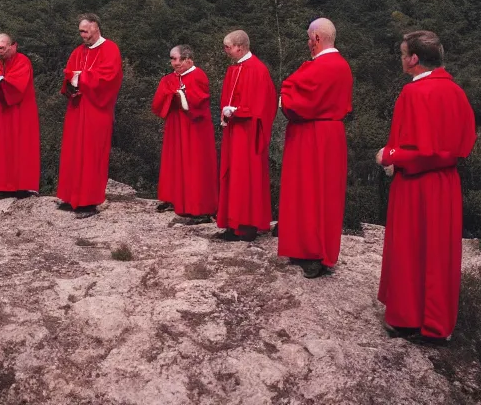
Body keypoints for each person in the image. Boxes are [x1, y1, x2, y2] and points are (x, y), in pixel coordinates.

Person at [377, 30, 476, 345]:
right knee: (438, 253)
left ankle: (408, 318)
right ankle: (437, 323)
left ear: (415, 59)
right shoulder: (456, 92)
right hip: (447, 184)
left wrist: (389, 155)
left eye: (404, 53)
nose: (402, 58)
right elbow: (459, 145)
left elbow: (420, 151)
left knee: (410, 248)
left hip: (416, 183)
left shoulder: (414, 93)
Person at [278, 18, 354, 278]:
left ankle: (309, 252)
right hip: (333, 135)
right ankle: (323, 252)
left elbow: (293, 96)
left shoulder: (318, 66)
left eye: (309, 39)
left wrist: (285, 97)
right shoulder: (343, 66)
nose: (308, 44)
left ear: (317, 38)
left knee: (307, 192)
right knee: (327, 196)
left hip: (310, 134)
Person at [57, 13, 123, 219]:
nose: (82, 35)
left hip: (96, 110)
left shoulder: (110, 49)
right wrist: (71, 81)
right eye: (80, 32)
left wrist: (82, 77)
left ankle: (88, 202)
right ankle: (71, 197)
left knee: (92, 154)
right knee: (73, 151)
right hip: (77, 108)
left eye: (85, 31)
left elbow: (110, 77)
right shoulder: (78, 51)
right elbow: (69, 73)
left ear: (95, 27)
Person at [215, 31, 277, 241]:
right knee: (233, 175)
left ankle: (247, 225)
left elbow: (260, 105)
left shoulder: (257, 70)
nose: (225, 51)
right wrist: (226, 112)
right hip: (234, 131)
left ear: (239, 47)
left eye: (228, 47)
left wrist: (238, 111)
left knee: (245, 177)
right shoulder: (236, 69)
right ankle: (233, 224)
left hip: (249, 134)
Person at [151, 45, 217, 224]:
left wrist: (181, 96)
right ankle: (175, 199)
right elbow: (157, 103)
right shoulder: (169, 79)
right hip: (175, 126)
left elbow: (199, 101)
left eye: (176, 59)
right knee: (175, 162)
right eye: (172, 59)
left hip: (194, 127)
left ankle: (198, 207)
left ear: (188, 59)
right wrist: (172, 95)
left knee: (194, 164)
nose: (173, 63)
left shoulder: (198, 76)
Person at [0, 33, 40, 198]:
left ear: (14, 46)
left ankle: (21, 186)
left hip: (20, 112)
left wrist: (1, 81)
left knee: (20, 147)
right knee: (0, 146)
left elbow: (16, 86)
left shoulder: (23, 61)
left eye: (2, 48)